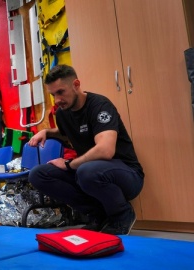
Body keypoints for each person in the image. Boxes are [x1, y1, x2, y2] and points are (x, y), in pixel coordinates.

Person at [28, 64, 144, 235]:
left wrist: (69, 165)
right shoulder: (62, 113)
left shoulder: (99, 105)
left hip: (127, 174)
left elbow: (105, 151)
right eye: (53, 95)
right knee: (38, 175)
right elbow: (66, 131)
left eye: (60, 92)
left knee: (85, 171)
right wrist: (46, 132)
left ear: (76, 84)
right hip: (88, 171)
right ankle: (98, 214)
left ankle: (121, 214)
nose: (57, 100)